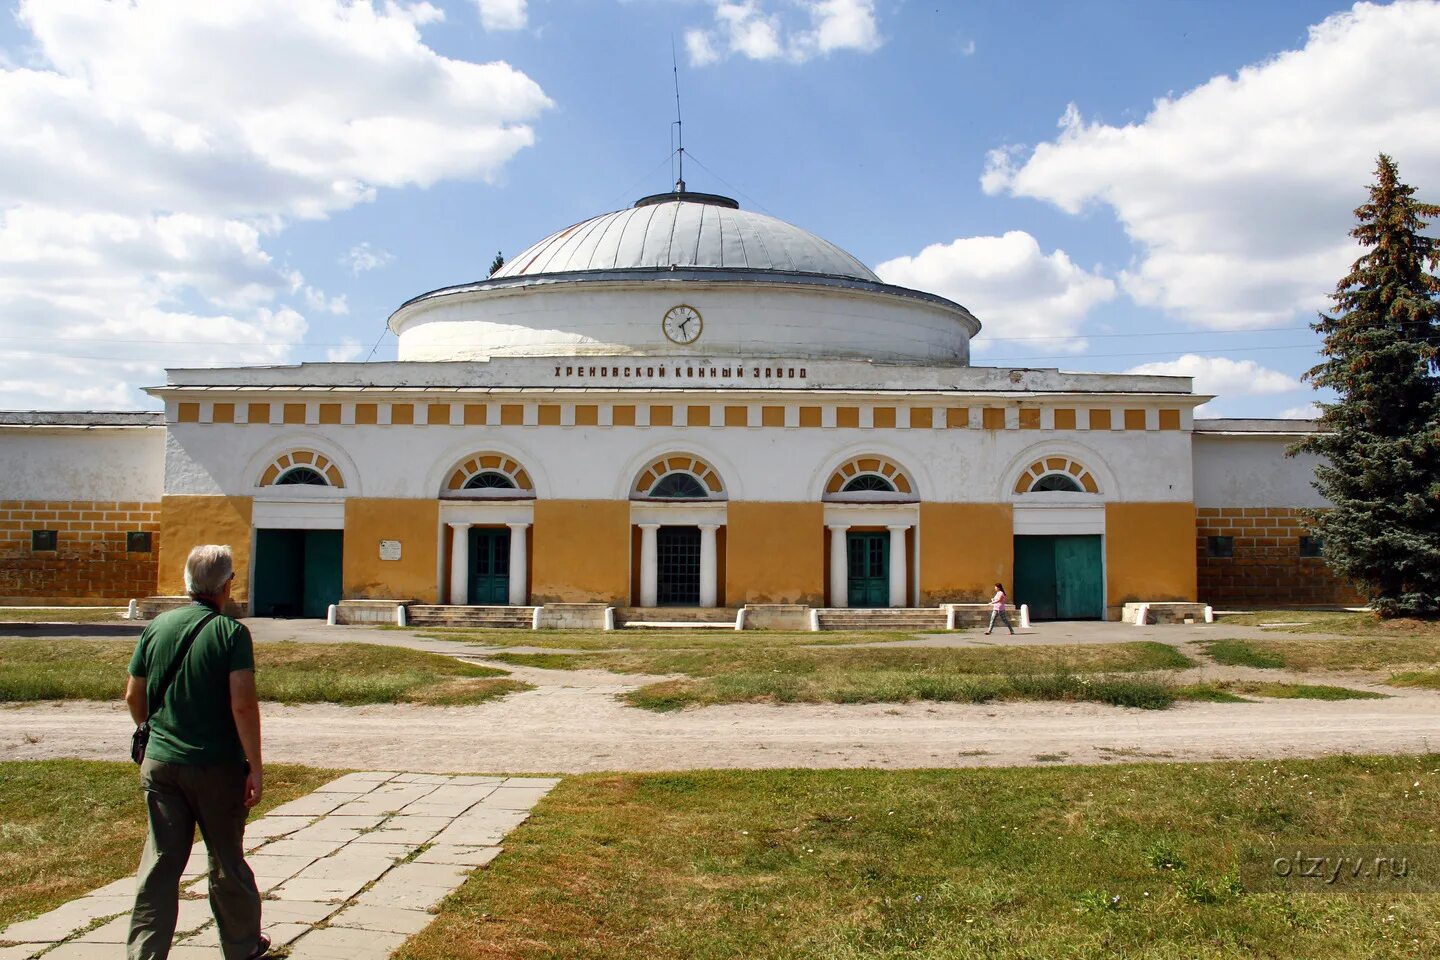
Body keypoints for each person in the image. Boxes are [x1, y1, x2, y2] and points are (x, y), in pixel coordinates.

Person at [125, 544, 269, 960]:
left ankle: (145, 953)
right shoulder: (231, 633)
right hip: (216, 766)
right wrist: (255, 767)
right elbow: (243, 705)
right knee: (226, 861)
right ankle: (242, 947)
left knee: (159, 863)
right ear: (227, 584)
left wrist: (149, 730)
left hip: (161, 763)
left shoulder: (158, 626)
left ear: (187, 583)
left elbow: (133, 694)